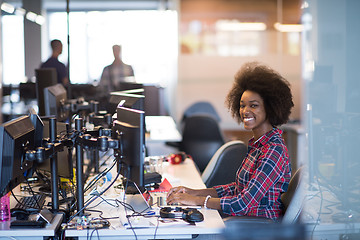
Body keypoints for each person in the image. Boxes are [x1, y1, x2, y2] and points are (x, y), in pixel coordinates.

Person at [166, 62, 294, 220]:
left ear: (271, 107)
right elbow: (237, 189)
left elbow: (243, 203)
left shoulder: (274, 150)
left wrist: (196, 201)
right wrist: (193, 192)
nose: (245, 111)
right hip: (244, 221)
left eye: (253, 105)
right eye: (242, 106)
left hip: (259, 226)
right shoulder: (258, 144)